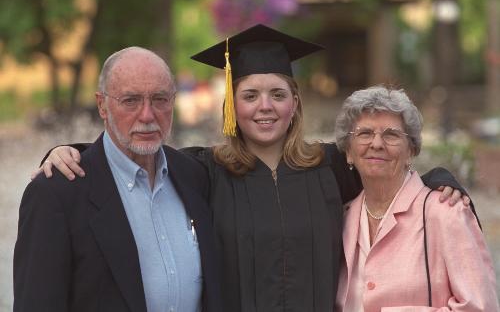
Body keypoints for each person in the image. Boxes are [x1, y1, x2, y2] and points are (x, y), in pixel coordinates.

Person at [33, 25, 469, 312]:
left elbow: (390, 171)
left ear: (295, 102)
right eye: (251, 95)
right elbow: (136, 146)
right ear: (231, 105)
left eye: (278, 94)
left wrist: (441, 181)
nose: (265, 107)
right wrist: (66, 149)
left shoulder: (332, 165)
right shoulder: (203, 170)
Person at [14, 47, 221, 312]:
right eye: (130, 100)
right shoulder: (56, 193)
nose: (147, 115)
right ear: (102, 105)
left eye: (159, 99)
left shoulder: (194, 175)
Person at [334, 86, 498, 311]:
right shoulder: (342, 218)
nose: (377, 144)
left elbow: (482, 307)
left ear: (411, 151)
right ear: (349, 152)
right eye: (365, 133)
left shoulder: (447, 213)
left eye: (391, 134)